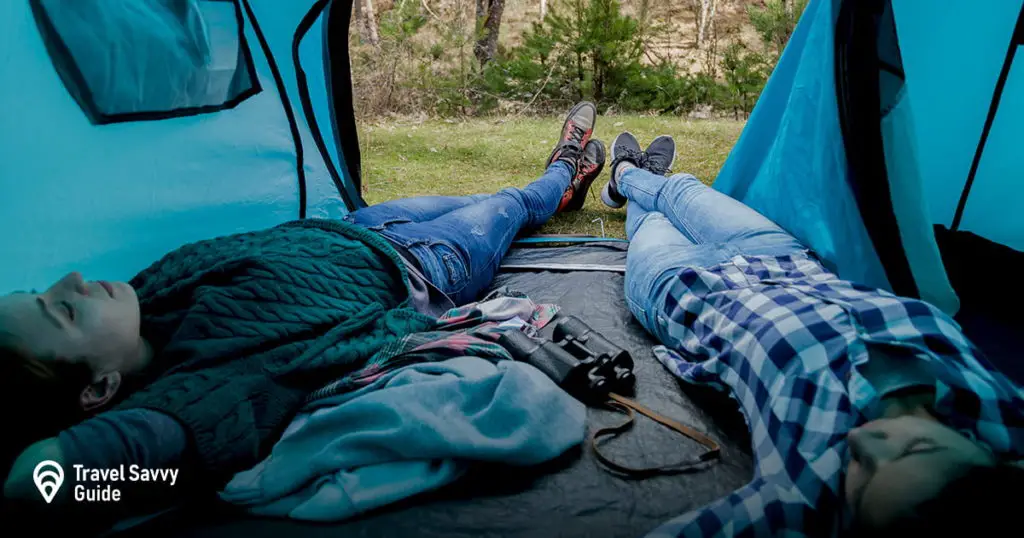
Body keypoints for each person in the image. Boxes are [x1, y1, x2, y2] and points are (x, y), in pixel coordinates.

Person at [0, 103, 606, 522]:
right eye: (64, 314)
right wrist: (141, 478)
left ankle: (562, 187)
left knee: (491, 199)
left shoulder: (147, 297)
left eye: (45, 290)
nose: (74, 280)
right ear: (99, 389)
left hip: (358, 228)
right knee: (516, 201)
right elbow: (39, 484)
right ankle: (564, 166)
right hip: (422, 265)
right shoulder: (199, 394)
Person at [600, 132, 1024, 537]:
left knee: (653, 219)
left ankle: (625, 176)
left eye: (859, 480)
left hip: (688, 290)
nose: (860, 440)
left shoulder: (803, 499)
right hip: (780, 257)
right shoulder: (1005, 412)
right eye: (912, 449)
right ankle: (629, 176)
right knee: (680, 188)